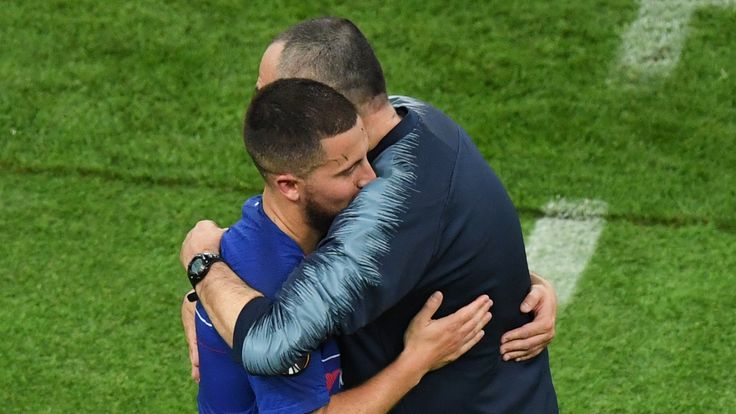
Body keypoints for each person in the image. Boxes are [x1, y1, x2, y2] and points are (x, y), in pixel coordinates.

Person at [181, 17, 558, 413]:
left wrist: (203, 266)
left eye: (275, 93)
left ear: (327, 104)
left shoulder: (384, 205)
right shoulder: (413, 115)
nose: (263, 107)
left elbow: (268, 346)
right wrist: (518, 281)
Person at [187, 78, 492, 414]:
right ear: (289, 185)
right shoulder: (270, 288)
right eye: (347, 171)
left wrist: (526, 281)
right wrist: (416, 361)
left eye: (366, 156)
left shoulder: (308, 223)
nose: (371, 179)